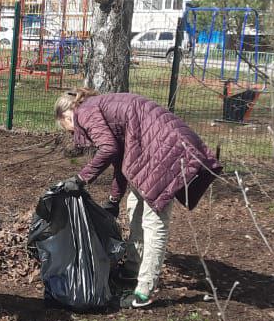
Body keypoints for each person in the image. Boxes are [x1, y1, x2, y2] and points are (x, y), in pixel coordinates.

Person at [55, 89, 222, 309]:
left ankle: (144, 291)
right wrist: (114, 198)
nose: (72, 133)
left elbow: (108, 149)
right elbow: (119, 156)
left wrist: (81, 178)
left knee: (155, 220)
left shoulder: (84, 112)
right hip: (153, 149)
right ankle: (132, 269)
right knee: (135, 204)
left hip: (166, 149)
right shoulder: (95, 107)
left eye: (67, 128)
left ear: (67, 116)